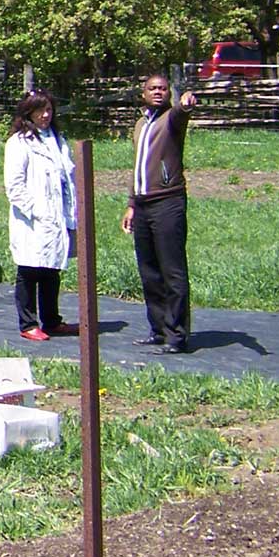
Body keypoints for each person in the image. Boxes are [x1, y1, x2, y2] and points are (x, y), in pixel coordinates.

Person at [122, 73, 199, 355]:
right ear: (143, 93)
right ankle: (158, 329)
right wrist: (131, 203)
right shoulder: (141, 124)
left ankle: (177, 335)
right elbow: (137, 167)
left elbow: (182, 112)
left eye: (163, 89)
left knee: (172, 271)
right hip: (142, 205)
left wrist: (187, 103)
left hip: (168, 202)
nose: (158, 92)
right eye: (152, 88)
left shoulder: (171, 120)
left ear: (169, 93)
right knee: (149, 271)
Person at [3, 92, 78, 341]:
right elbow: (14, 186)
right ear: (28, 113)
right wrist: (37, 211)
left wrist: (68, 215)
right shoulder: (19, 142)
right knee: (29, 269)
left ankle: (52, 320)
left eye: (48, 110)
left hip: (56, 217)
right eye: (39, 111)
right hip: (32, 220)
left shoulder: (58, 140)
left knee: (51, 270)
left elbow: (67, 178)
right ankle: (27, 323)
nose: (45, 115)